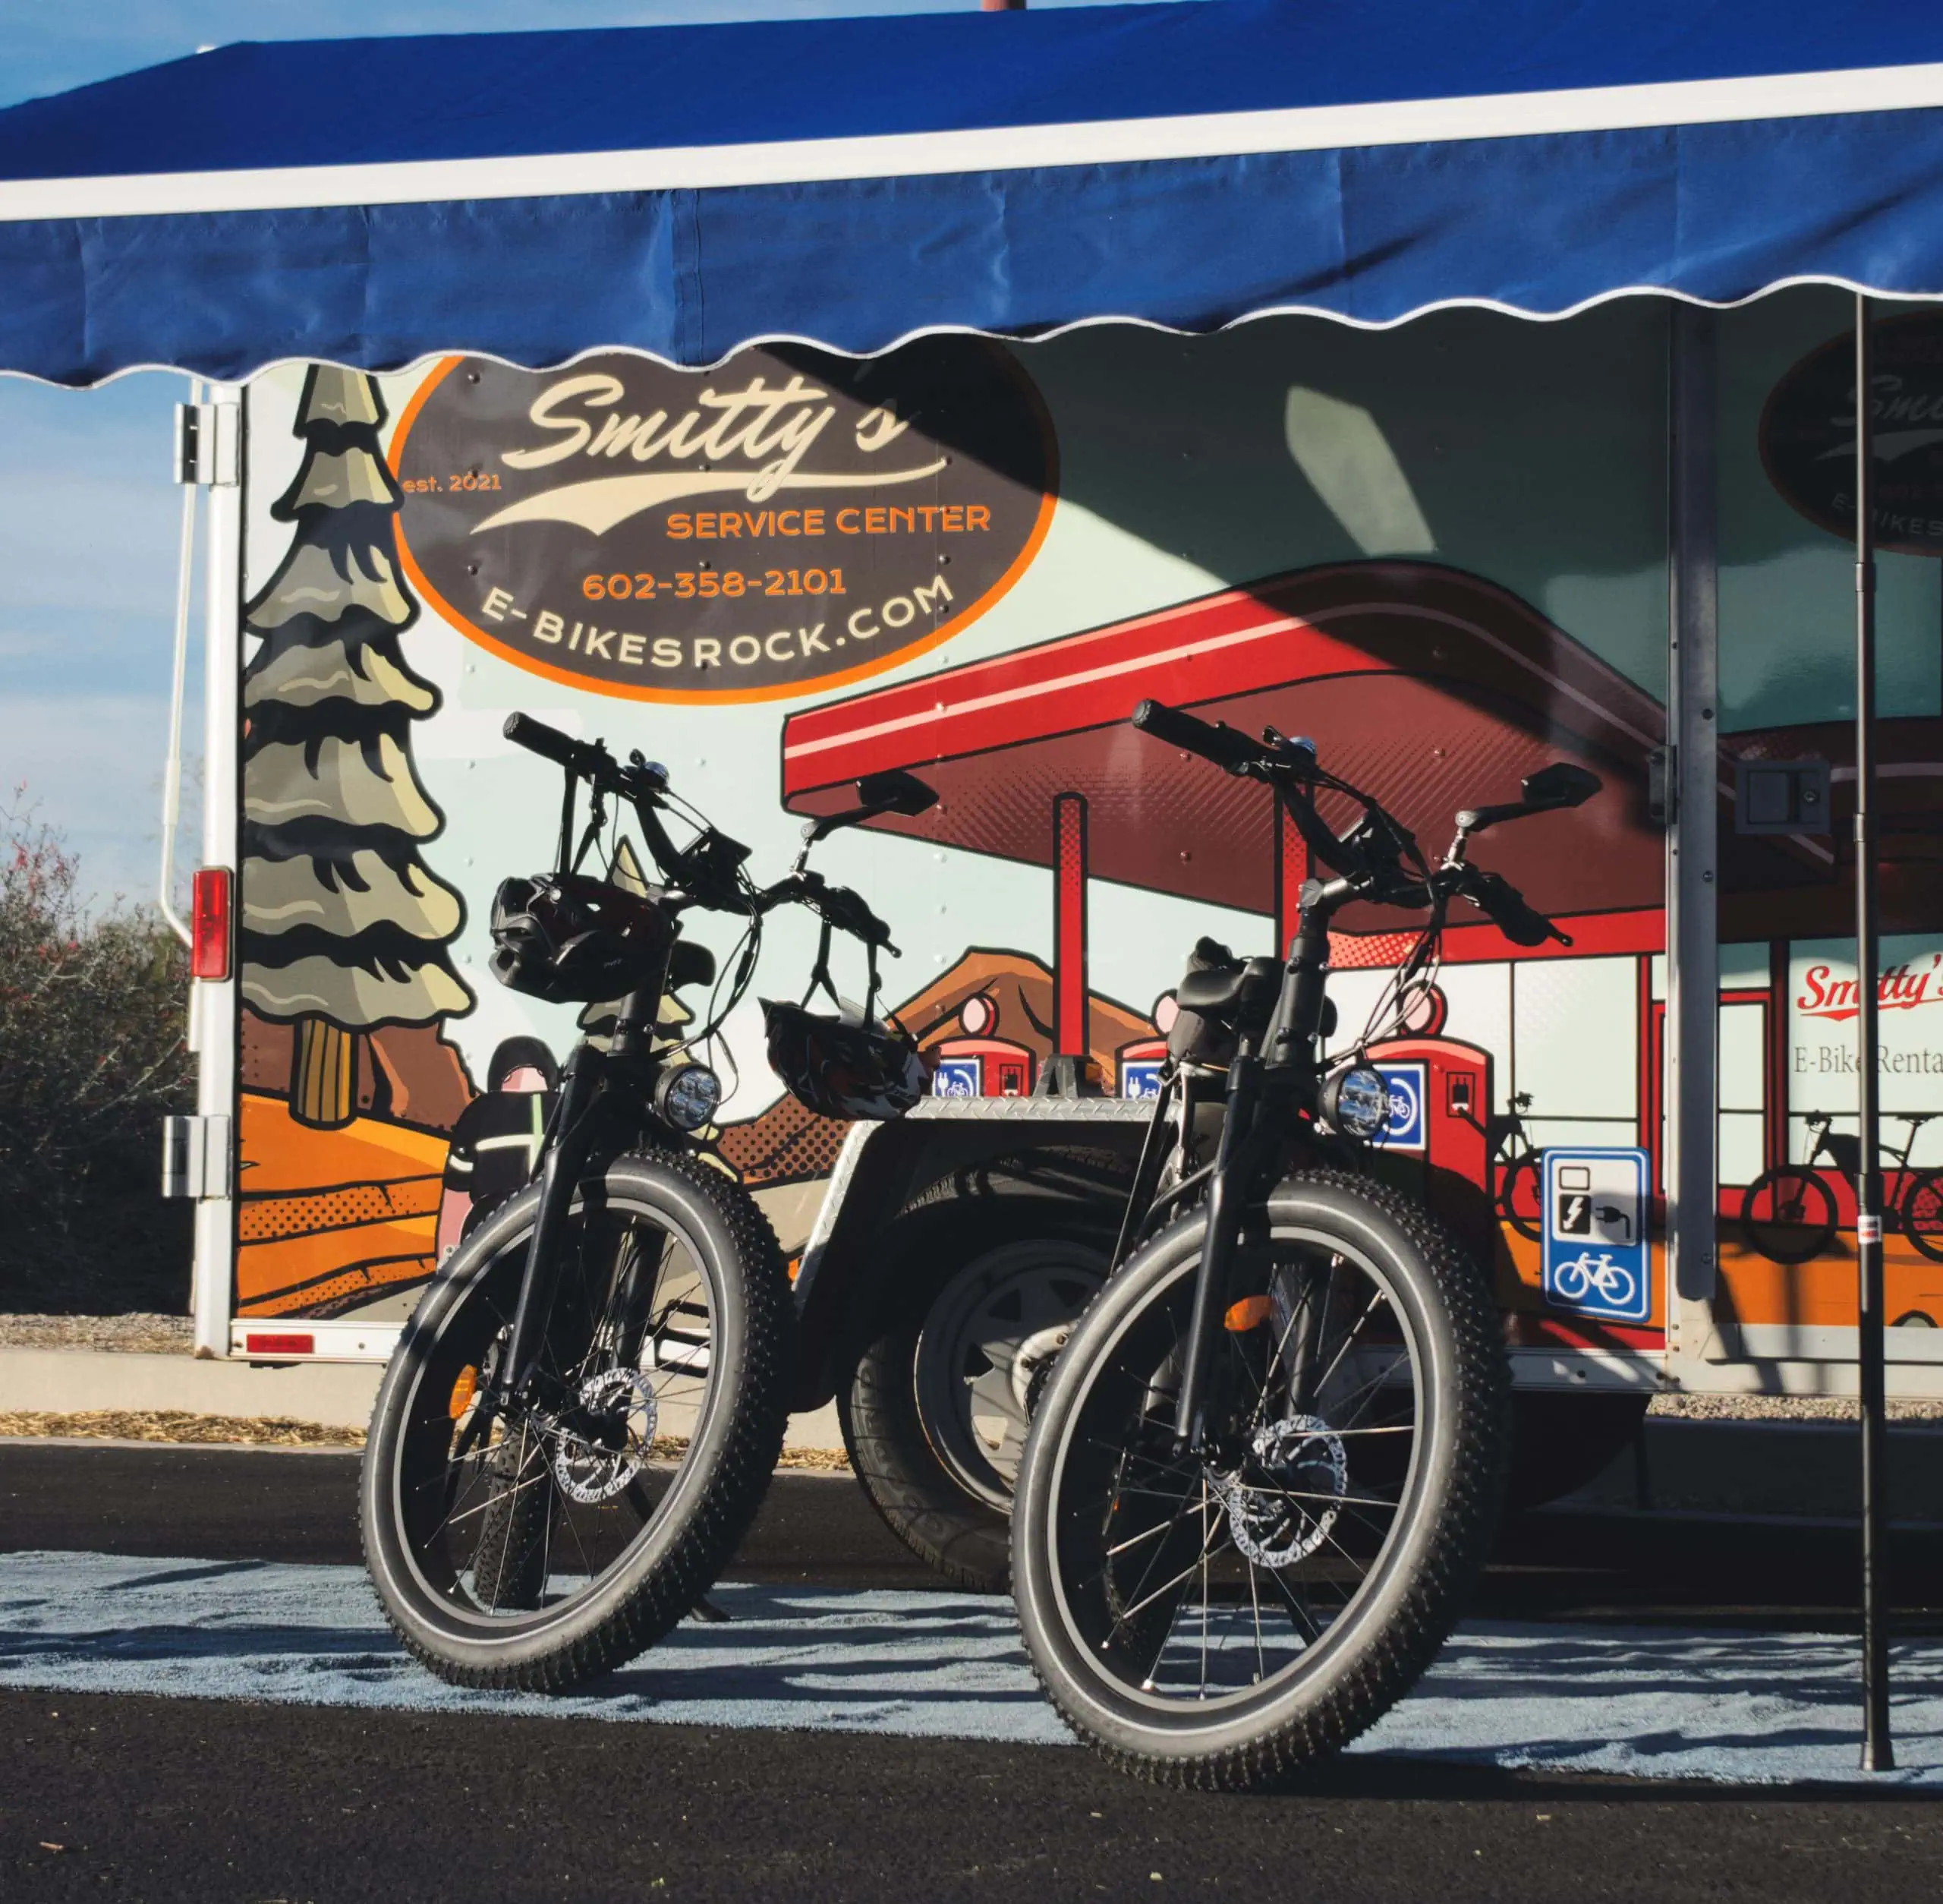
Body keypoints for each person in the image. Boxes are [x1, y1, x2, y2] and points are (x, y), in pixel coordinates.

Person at [436, 1036, 560, 1263]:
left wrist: (446, 1261)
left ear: (501, 1076)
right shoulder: (567, 1108)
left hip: (490, 1236)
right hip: (563, 1234)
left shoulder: (479, 1112)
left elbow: (456, 1197)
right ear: (548, 1073)